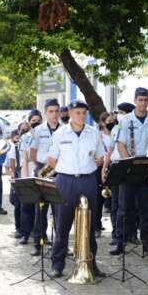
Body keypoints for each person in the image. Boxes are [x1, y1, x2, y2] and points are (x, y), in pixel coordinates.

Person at [47, 100, 106, 278]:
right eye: (78, 112)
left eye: (84, 113)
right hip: (65, 181)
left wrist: (98, 161)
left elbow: (101, 156)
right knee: (62, 224)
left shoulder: (93, 132)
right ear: (70, 114)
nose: (81, 116)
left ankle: (91, 265)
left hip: (87, 180)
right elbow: (52, 159)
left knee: (89, 224)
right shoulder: (60, 133)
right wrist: (66, 169)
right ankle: (57, 265)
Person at [111, 87, 148, 255]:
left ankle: (147, 242)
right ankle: (120, 241)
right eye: (140, 100)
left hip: (147, 167)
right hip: (130, 167)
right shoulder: (125, 120)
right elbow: (120, 143)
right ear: (135, 100)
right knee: (124, 208)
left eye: (146, 100)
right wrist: (128, 163)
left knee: (147, 208)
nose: (143, 103)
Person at [30, 99, 61, 256]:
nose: (54, 114)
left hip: (60, 172)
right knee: (40, 209)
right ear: (45, 113)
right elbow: (33, 152)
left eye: (56, 111)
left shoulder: (65, 129)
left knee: (59, 211)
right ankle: (38, 243)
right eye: (51, 111)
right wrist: (41, 168)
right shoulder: (38, 130)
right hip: (42, 170)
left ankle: (59, 244)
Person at [103, 102, 135, 246]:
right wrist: (104, 168)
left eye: (121, 112)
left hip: (131, 166)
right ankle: (117, 234)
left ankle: (132, 234)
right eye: (117, 112)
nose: (117, 115)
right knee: (116, 203)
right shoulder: (116, 128)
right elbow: (109, 150)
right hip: (116, 166)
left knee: (132, 204)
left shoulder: (133, 127)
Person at [17, 110, 42, 244]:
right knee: (27, 206)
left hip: (43, 174)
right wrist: (25, 178)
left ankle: (40, 234)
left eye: (39, 120)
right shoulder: (25, 138)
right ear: (29, 122)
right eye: (33, 121)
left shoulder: (46, 136)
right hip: (28, 172)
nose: (36, 123)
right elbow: (24, 159)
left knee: (41, 208)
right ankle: (25, 233)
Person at [94, 112, 114, 238]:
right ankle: (96, 225)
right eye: (109, 121)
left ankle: (115, 228)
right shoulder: (99, 136)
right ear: (102, 123)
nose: (111, 123)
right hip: (101, 167)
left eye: (113, 120)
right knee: (98, 198)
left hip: (113, 166)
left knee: (113, 199)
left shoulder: (116, 134)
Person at [5, 128, 24, 239]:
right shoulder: (13, 149)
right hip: (18, 177)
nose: (19, 139)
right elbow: (8, 168)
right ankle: (18, 228)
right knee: (17, 204)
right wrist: (13, 176)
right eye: (16, 137)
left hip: (27, 175)